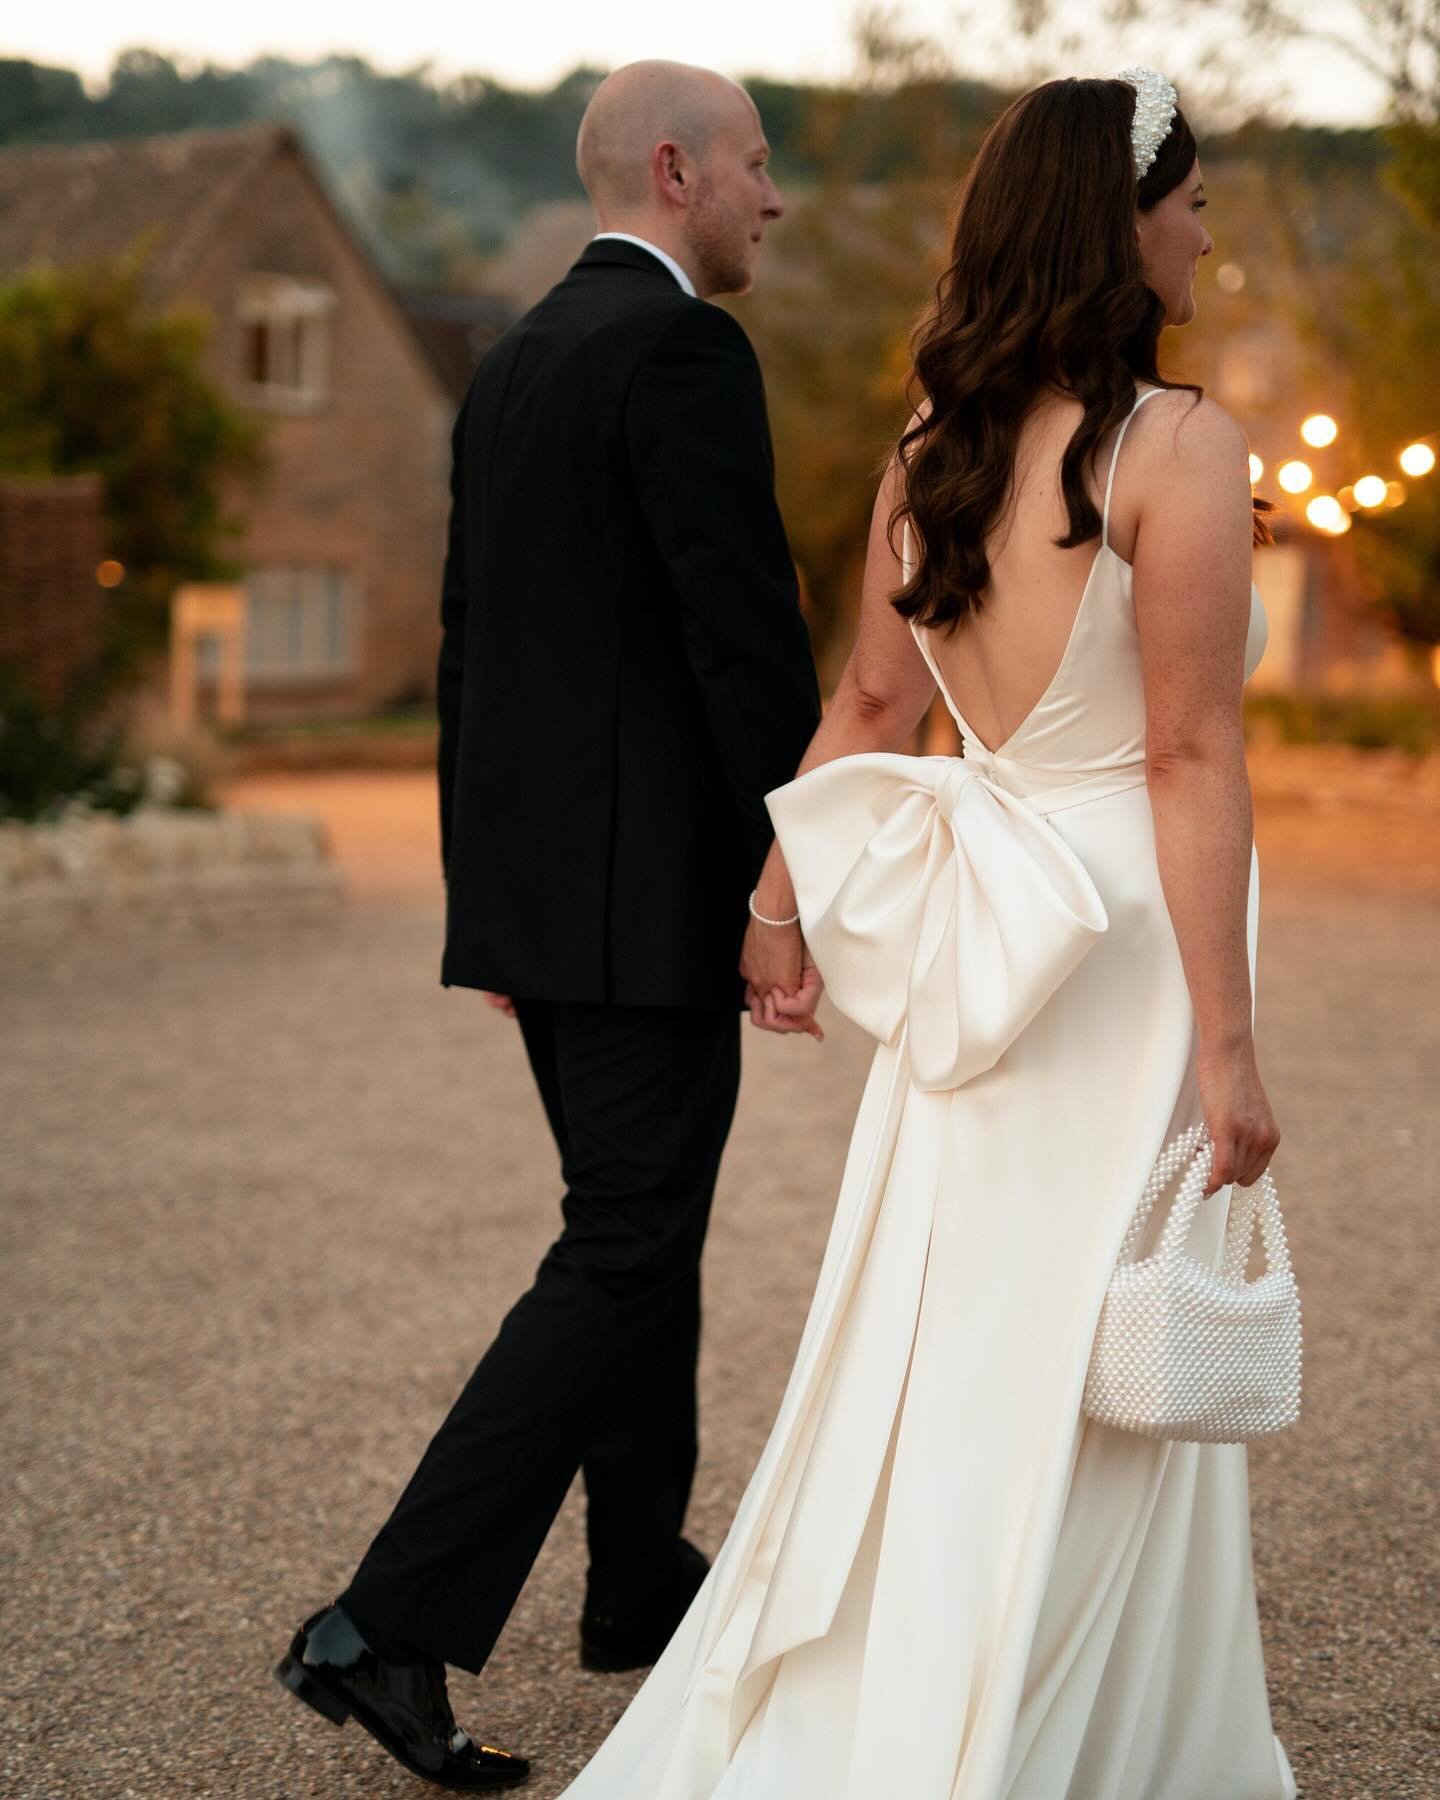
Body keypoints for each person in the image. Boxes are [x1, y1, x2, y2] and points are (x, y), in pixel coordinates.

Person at [558, 72, 1297, 1798]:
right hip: (1120, 944)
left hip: (989, 920)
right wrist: (1234, 1042)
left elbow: (868, 707)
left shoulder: (930, 447)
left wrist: (775, 906)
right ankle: (1068, 1729)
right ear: (1114, 227)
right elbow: (1190, 751)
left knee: (961, 1319)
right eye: (1187, 200)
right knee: (1105, 1333)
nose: (1206, 231)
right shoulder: (1178, 446)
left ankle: (926, 1680)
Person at [273, 60, 820, 1790]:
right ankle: (387, 1621)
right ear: (675, 169)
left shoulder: (507, 360)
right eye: (755, 165)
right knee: (627, 1246)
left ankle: (641, 1579)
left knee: (634, 1238)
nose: (773, 197)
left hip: (553, 902)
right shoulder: (682, 351)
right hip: (658, 904)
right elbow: (745, 638)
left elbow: (468, 655)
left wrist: (490, 906)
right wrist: (792, 878)